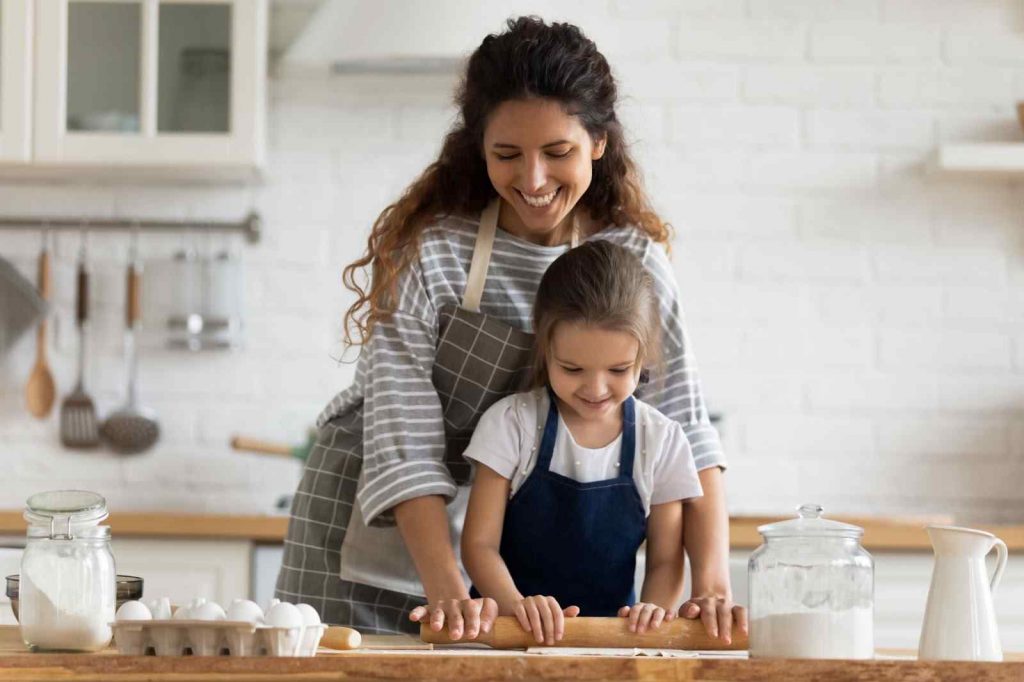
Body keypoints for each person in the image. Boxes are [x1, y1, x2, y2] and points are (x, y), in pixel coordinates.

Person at [276, 16, 746, 643]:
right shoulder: (433, 254)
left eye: (558, 153)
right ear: (480, 148)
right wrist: (451, 590)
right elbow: (403, 438)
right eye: (507, 154)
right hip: (373, 514)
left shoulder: (634, 261)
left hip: (498, 550)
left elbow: (683, 421)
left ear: (599, 143)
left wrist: (712, 579)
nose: (532, 180)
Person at [461, 241, 703, 645]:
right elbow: (479, 545)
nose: (596, 388)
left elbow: (664, 559)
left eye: (619, 369)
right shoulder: (511, 424)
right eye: (572, 369)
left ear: (644, 357)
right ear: (545, 348)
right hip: (506, 635)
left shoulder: (662, 441)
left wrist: (653, 609)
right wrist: (516, 606)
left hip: (609, 645)